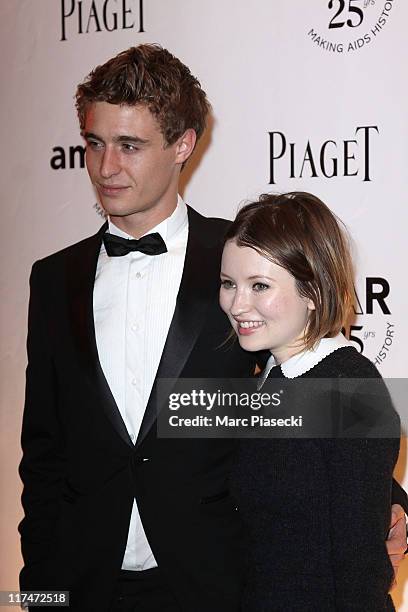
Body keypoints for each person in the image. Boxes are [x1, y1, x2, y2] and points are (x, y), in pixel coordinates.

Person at [18, 45, 406, 612]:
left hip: (212, 584)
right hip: (80, 581)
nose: (105, 168)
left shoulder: (241, 266)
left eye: (129, 146)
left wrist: (385, 499)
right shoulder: (53, 280)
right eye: (95, 143)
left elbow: (303, 392)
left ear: (183, 145)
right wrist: (39, 591)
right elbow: (43, 449)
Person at [219, 191, 403, 610]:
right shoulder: (263, 374)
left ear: (314, 292)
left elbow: (360, 570)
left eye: (259, 285)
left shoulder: (349, 387)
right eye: (229, 283)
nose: (236, 303)